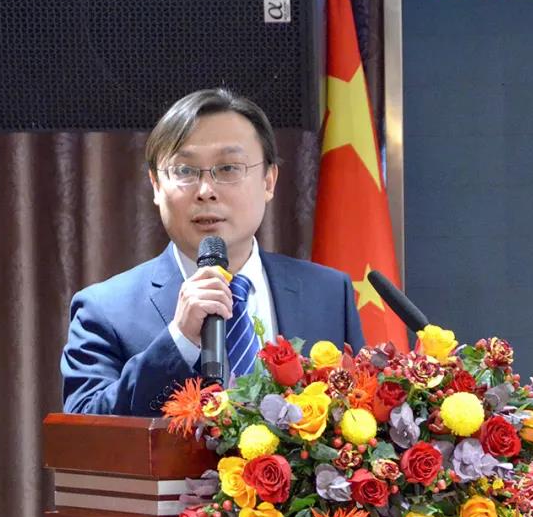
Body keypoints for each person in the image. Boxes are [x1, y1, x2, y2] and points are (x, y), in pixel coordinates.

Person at [61, 88, 365, 418]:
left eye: (229, 168)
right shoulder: (105, 309)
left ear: (268, 181)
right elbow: (85, 428)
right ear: (156, 186)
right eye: (184, 171)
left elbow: (359, 417)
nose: (206, 191)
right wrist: (179, 341)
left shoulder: (328, 293)